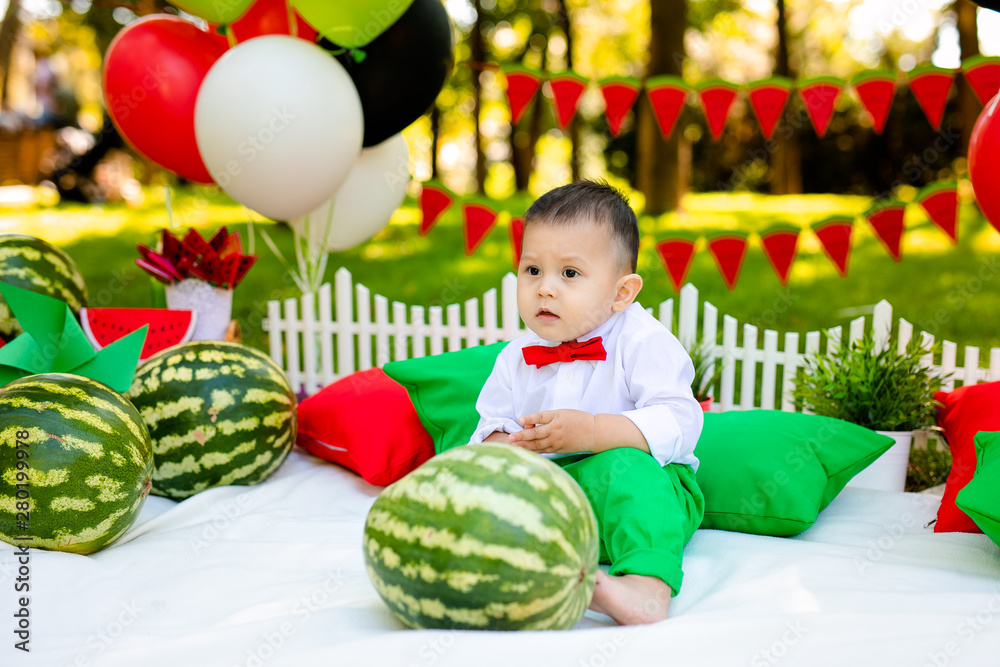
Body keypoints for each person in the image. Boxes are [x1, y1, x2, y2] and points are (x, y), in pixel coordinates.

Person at [468, 180, 705, 625]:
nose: (545, 289)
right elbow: (489, 427)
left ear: (621, 293)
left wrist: (594, 432)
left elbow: (680, 421)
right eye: (532, 270)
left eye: (569, 274)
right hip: (559, 489)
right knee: (485, 487)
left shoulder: (644, 341)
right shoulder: (515, 358)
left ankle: (645, 586)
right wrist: (508, 448)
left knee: (630, 473)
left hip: (646, 484)